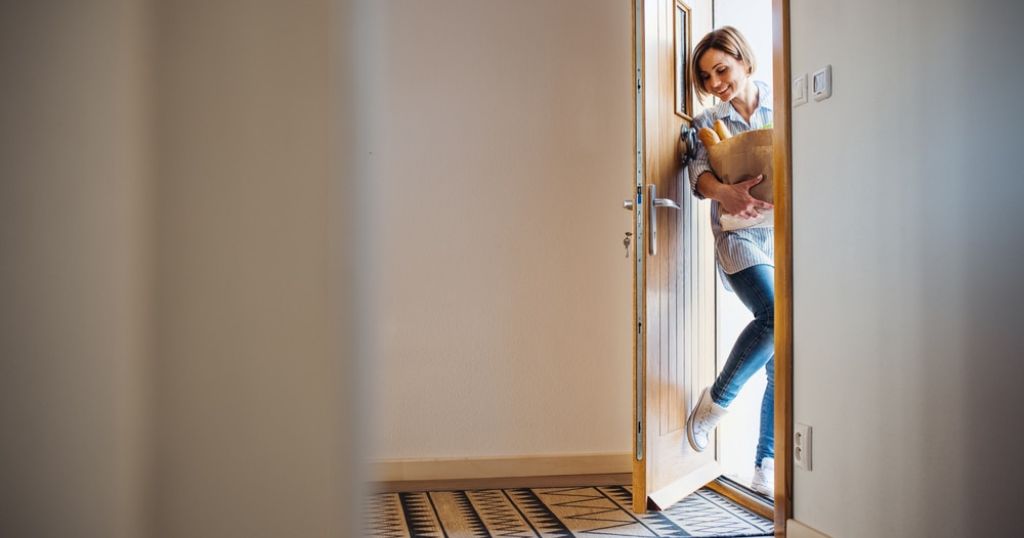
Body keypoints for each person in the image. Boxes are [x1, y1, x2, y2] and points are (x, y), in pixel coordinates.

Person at [684, 26, 776, 497]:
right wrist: (725, 193)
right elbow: (698, 171)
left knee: (787, 351)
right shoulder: (709, 121)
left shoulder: (781, 112)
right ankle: (716, 402)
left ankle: (766, 465)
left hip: (782, 236)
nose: (717, 81)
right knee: (775, 316)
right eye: (707, 76)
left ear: (744, 60)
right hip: (738, 239)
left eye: (722, 69)